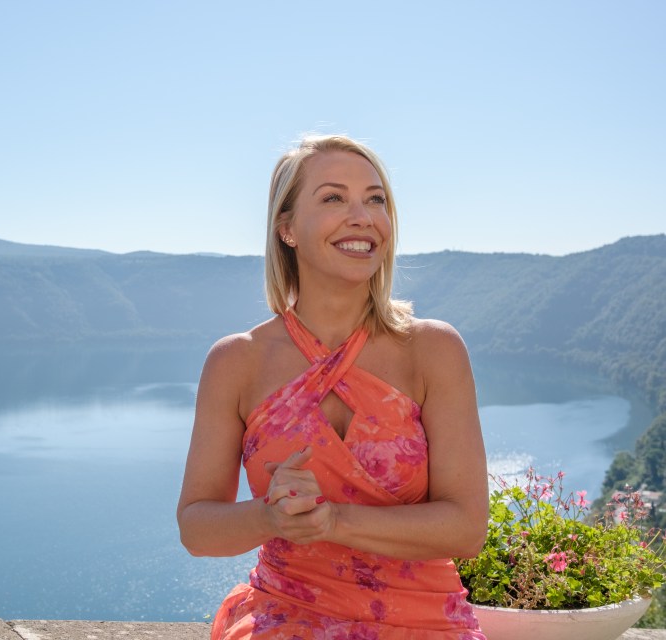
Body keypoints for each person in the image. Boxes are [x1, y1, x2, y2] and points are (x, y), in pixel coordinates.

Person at [176, 134, 489, 639]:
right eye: (333, 198)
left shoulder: (432, 350)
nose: (362, 216)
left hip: (425, 622)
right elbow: (195, 526)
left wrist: (331, 522)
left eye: (375, 199)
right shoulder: (237, 361)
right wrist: (271, 518)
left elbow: (466, 527)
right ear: (287, 229)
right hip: (286, 616)